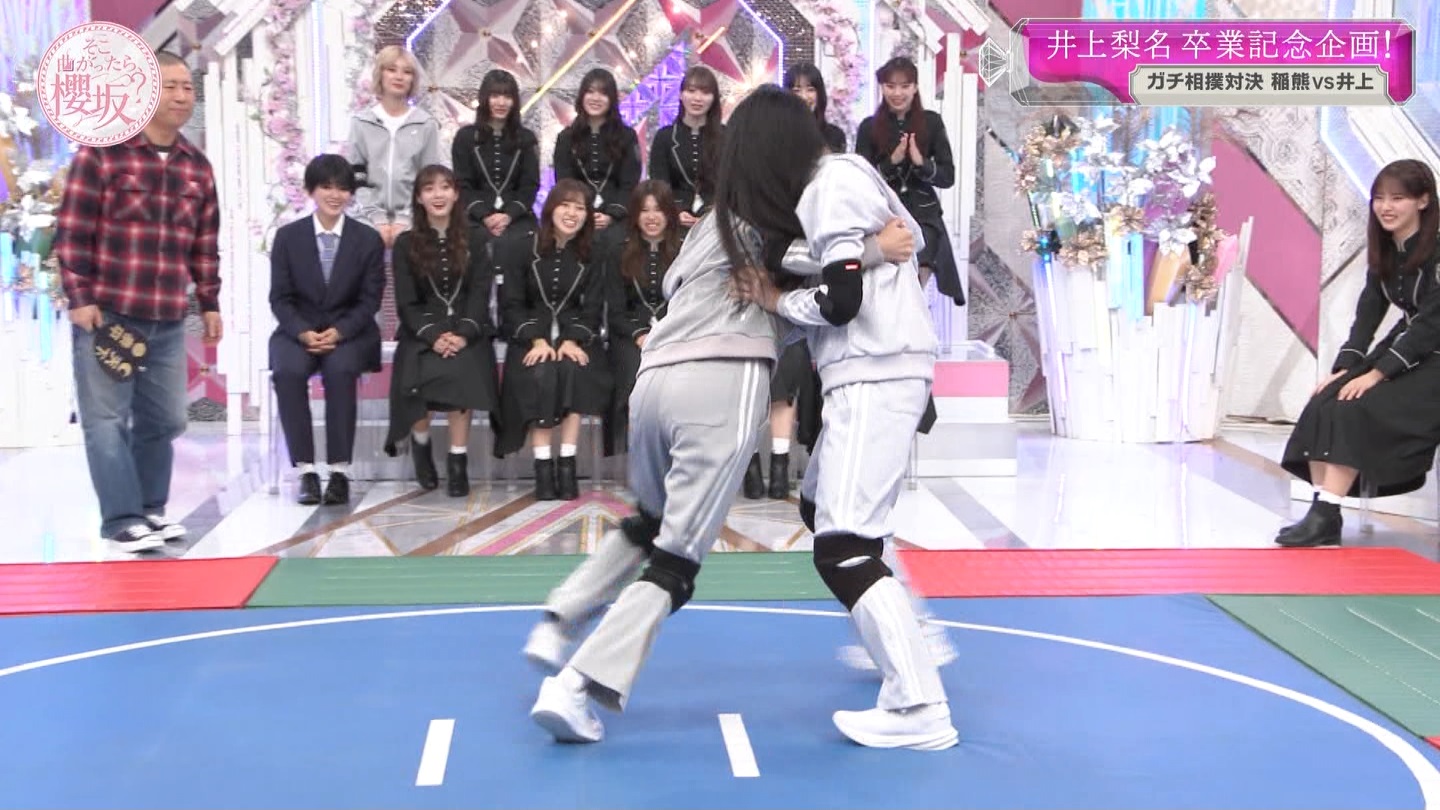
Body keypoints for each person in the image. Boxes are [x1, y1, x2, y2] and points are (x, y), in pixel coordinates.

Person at [521, 87, 930, 749]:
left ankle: (559, 615)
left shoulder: (711, 220)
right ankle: (572, 686)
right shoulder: (779, 219)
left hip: (652, 379)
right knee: (676, 561)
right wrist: (877, 248)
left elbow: (732, 286)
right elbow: (823, 273)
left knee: (648, 520)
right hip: (721, 382)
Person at [734, 94, 959, 750]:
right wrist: (870, 249)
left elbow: (840, 301)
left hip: (875, 369)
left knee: (843, 545)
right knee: (820, 508)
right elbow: (903, 240)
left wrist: (775, 298)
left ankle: (918, 703)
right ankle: (914, 629)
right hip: (872, 369)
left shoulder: (830, 185)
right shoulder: (843, 179)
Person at [55, 51, 222, 552]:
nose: (181, 96)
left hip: (167, 316)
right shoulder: (101, 155)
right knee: (106, 420)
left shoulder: (197, 166)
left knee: (167, 419)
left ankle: (151, 509)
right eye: (169, 86)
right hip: (108, 313)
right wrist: (80, 296)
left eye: (187, 87)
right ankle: (121, 518)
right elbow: (72, 232)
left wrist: (209, 301)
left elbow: (204, 243)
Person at [1277, 159, 1440, 548]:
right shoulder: (1387, 248)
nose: (1386, 207)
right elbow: (1369, 310)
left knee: (1357, 405)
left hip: (1432, 352)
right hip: (1410, 343)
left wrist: (1377, 374)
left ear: (1422, 201)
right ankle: (1324, 513)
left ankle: (1326, 514)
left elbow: (1430, 324)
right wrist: (1346, 367)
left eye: (1397, 198)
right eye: (1379, 198)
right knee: (1326, 400)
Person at [268, 155, 387, 506]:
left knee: (340, 370)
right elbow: (279, 298)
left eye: (342, 188)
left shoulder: (367, 239)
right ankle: (305, 471)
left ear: (351, 193)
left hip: (350, 331)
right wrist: (303, 332)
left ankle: (339, 472)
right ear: (310, 190)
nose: (335, 195)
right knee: (288, 372)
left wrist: (339, 331)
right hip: (298, 330)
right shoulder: (288, 237)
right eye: (326, 187)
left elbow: (370, 300)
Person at [383, 165, 502, 497]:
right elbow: (406, 303)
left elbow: (480, 293)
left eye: (445, 187)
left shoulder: (476, 238)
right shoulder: (406, 243)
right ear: (419, 198)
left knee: (463, 370)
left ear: (456, 193)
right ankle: (421, 446)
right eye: (429, 189)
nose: (438, 195)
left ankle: (457, 460)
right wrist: (433, 336)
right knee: (416, 376)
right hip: (422, 330)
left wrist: (462, 334)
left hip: (467, 328)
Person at [493, 179, 613, 500]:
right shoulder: (522, 247)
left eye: (580, 208)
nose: (572, 214)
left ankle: (567, 462)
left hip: (577, 338)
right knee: (541, 372)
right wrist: (535, 339)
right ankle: (543, 466)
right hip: (531, 339)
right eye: (565, 205)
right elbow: (512, 304)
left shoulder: (594, 252)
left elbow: (593, 307)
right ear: (550, 209)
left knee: (574, 370)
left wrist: (573, 339)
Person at [854, 56, 963, 307]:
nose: (897, 93)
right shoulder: (869, 127)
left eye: (904, 86)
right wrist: (891, 162)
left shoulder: (931, 123)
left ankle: (914, 312)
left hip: (923, 214)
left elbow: (947, 177)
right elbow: (860, 181)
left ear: (915, 88)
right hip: (884, 214)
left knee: (917, 275)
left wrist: (921, 163)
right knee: (885, 288)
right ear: (882, 88)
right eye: (890, 86)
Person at [602, 180, 682, 457]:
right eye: (644, 210)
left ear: (669, 213)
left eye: (658, 210)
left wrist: (667, 334)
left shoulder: (684, 252)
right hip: (631, 336)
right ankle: (638, 453)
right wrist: (639, 334)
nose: (651, 217)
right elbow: (615, 310)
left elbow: (691, 302)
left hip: (677, 334)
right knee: (632, 373)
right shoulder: (618, 251)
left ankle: (674, 451)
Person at [346, 45, 446, 249]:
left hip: (415, 218)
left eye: (407, 72)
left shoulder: (426, 124)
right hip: (366, 218)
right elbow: (357, 176)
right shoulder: (361, 122)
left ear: (413, 80)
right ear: (380, 75)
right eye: (392, 69)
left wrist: (405, 218)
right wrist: (377, 218)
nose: (399, 77)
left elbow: (429, 180)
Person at [552, 68, 641, 252]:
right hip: (576, 214)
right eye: (590, 92)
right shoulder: (566, 138)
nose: (595, 98)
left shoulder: (627, 136)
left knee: (616, 242)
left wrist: (612, 214)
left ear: (612, 99)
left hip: (617, 215)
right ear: (581, 96)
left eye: (603, 93)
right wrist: (582, 213)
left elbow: (630, 183)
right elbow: (564, 183)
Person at [452, 68, 539, 247]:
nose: (501, 102)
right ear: (485, 98)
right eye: (495, 96)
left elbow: (529, 186)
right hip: (475, 216)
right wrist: (484, 215)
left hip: (517, 217)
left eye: (507, 96)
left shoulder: (526, 138)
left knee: (521, 241)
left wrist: (508, 215)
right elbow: (462, 184)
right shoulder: (465, 137)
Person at [646, 66, 723, 231]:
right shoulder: (665, 136)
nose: (697, 98)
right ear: (681, 95)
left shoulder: (727, 135)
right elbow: (659, 182)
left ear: (714, 98)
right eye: (691, 91)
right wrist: (676, 211)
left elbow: (733, 182)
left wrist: (715, 211)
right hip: (674, 217)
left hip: (717, 219)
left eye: (705, 92)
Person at [785, 62, 847, 154]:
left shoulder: (835, 135)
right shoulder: (779, 134)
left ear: (819, 94)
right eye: (796, 90)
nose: (804, 97)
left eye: (810, 90)